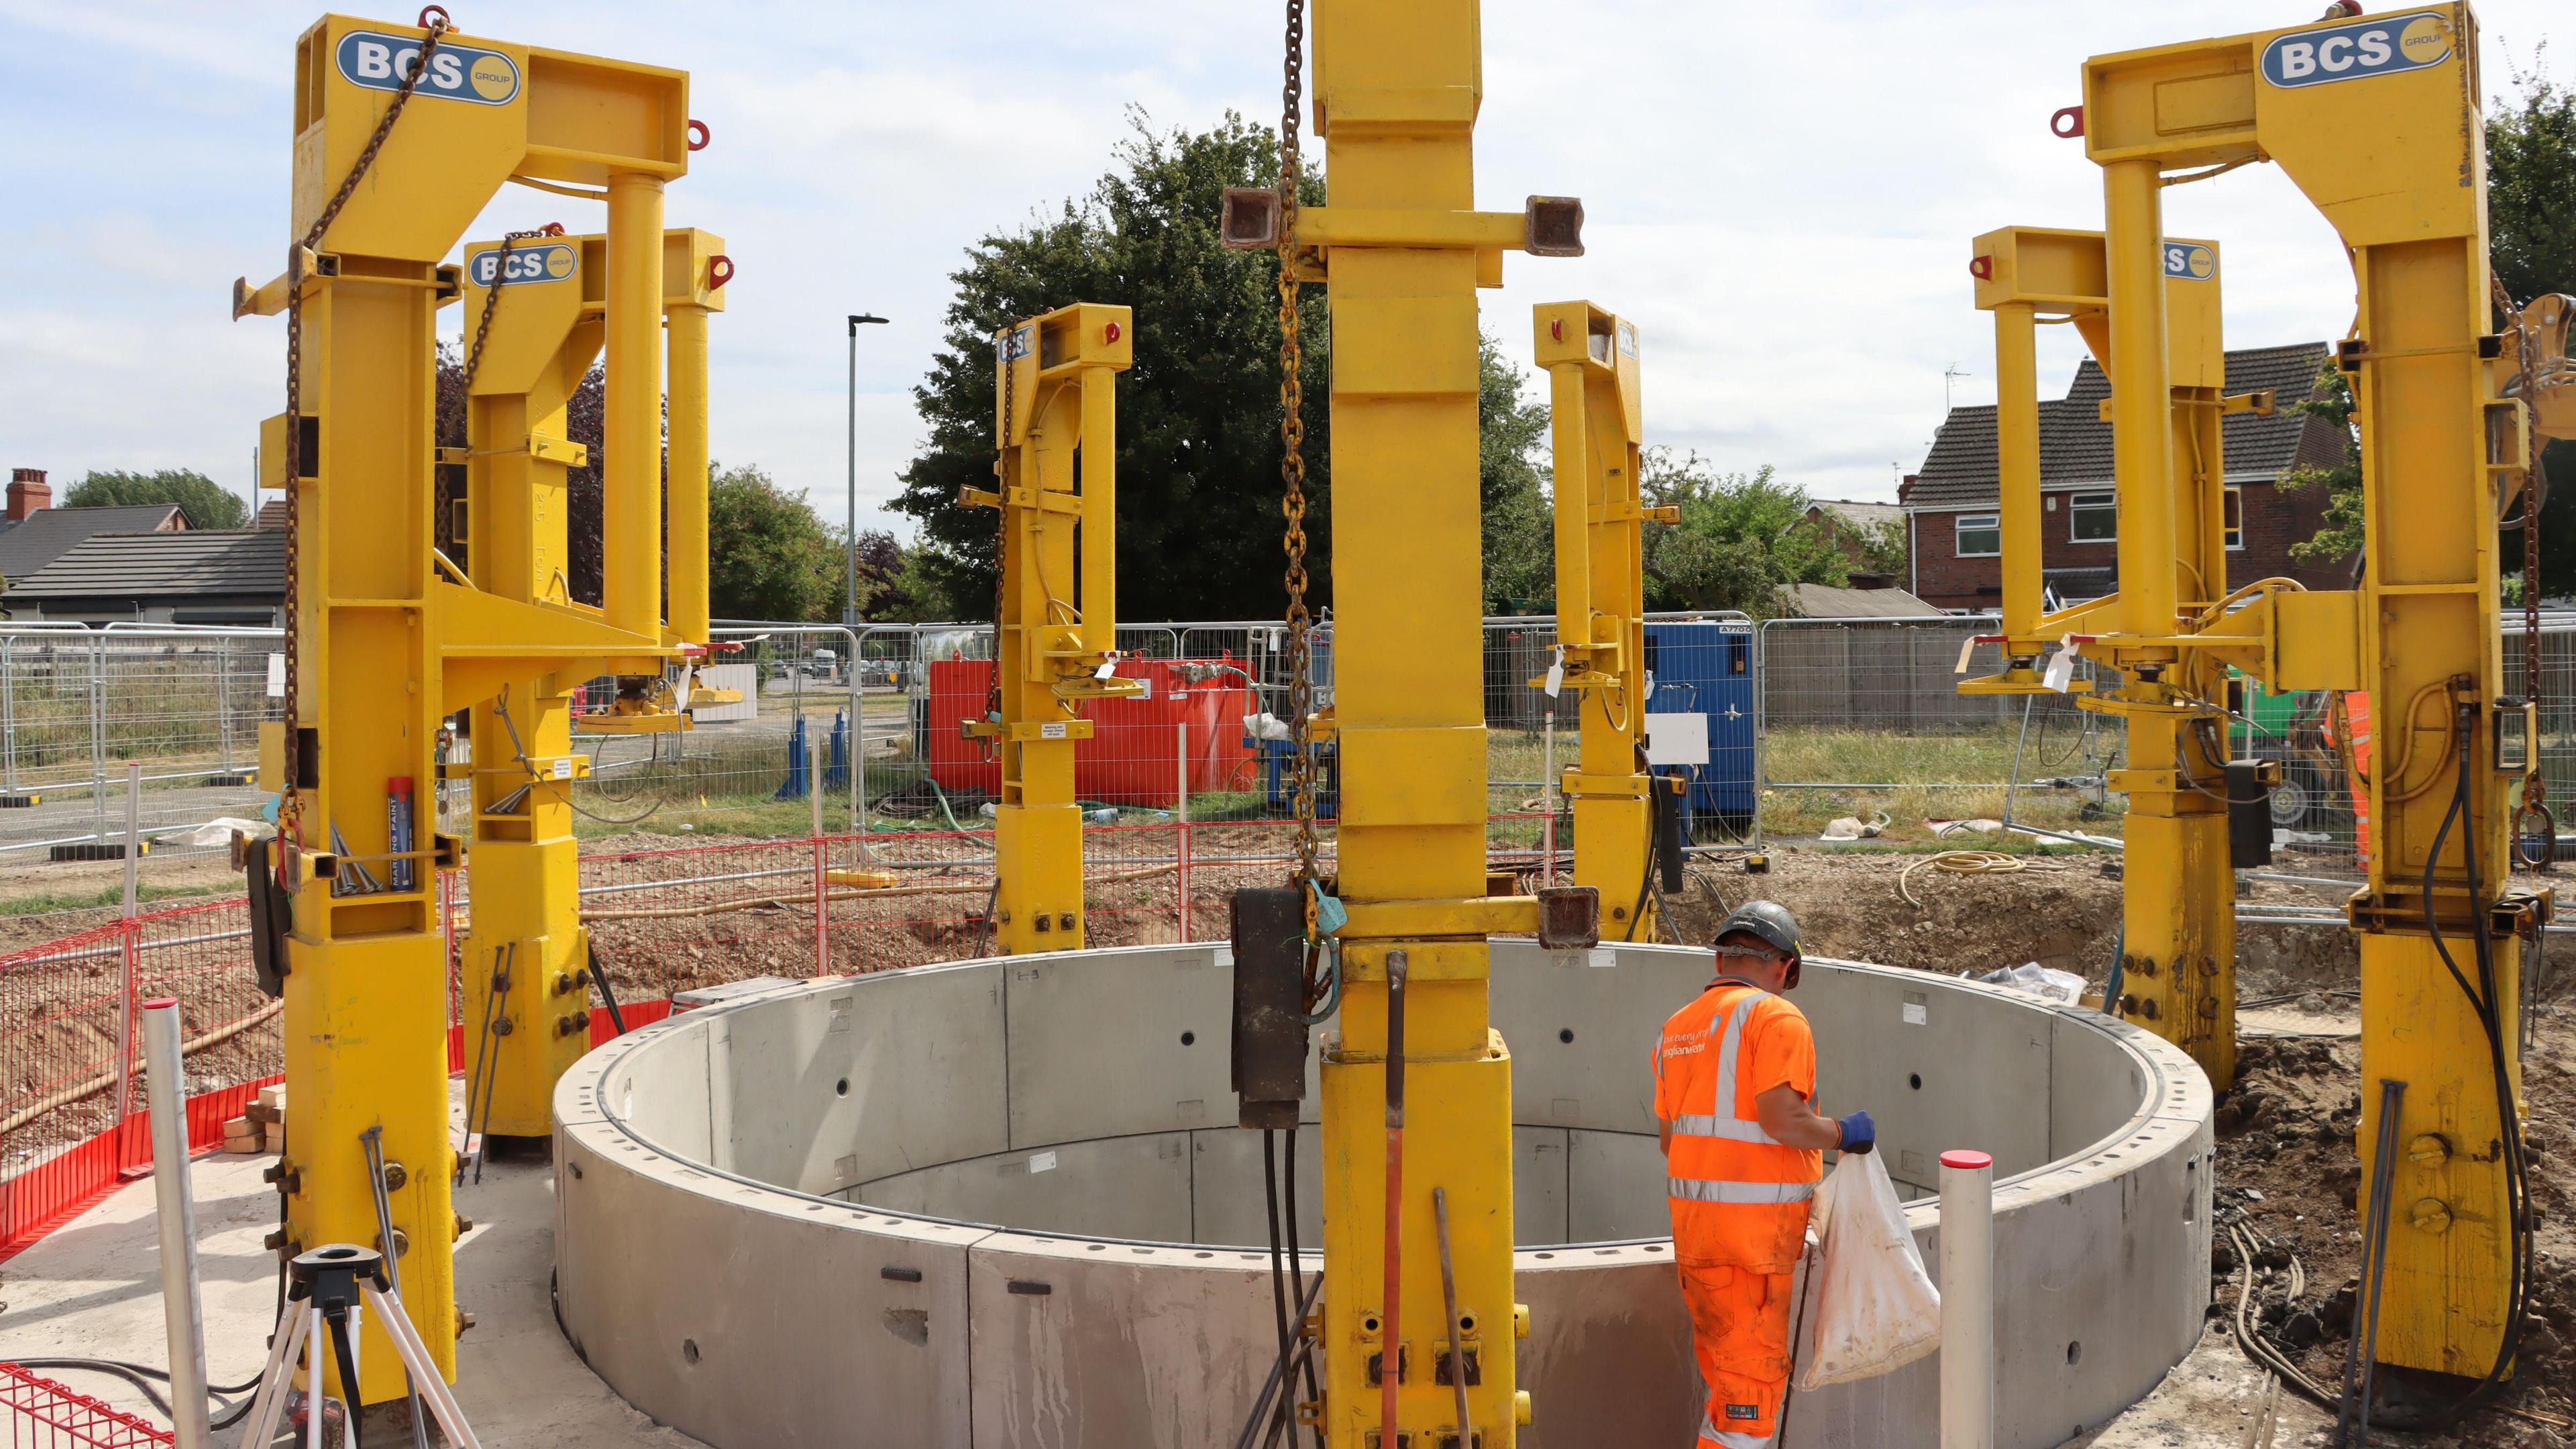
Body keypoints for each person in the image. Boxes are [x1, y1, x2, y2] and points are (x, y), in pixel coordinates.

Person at [1654, 901, 1874, 1448]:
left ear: (1722, 958)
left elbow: (1669, 1141)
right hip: (1751, 1250)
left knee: (1729, 1391)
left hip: (1699, 1243)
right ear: (1784, 967)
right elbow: (1783, 1120)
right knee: (1747, 1410)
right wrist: (1844, 1132)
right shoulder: (1776, 1018)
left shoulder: (1677, 1028)